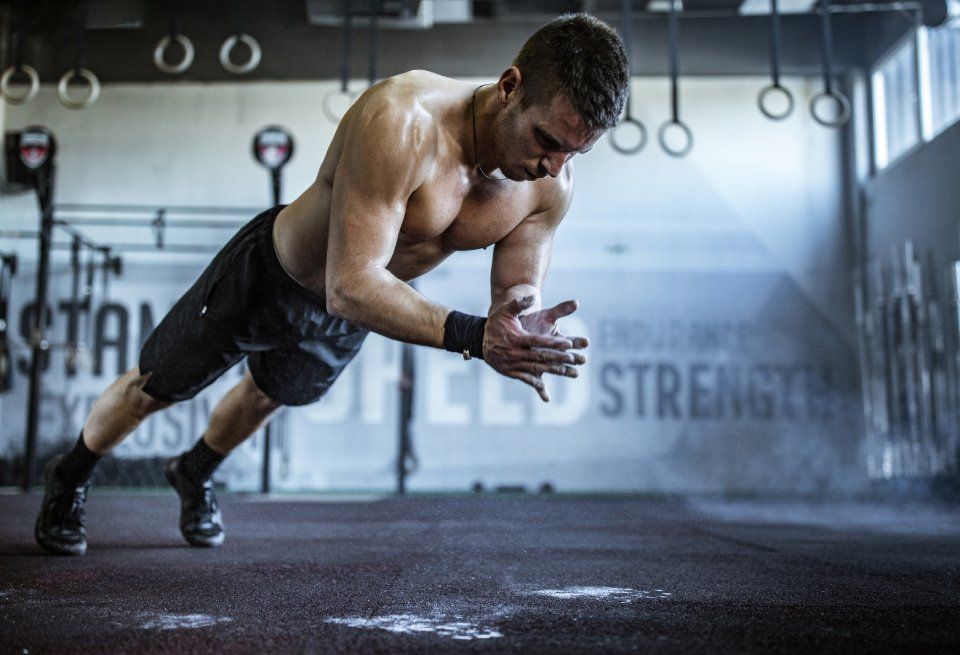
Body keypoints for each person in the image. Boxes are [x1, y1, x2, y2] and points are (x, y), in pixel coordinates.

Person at [35, 13, 629, 556]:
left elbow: (517, 284)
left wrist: (521, 318)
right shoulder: (403, 120)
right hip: (276, 275)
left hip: (357, 309)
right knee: (156, 388)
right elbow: (349, 283)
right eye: (548, 141)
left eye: (574, 153)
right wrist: (476, 336)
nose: (554, 166)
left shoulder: (550, 185)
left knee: (269, 394)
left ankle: (193, 472)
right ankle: (70, 476)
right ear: (510, 87)